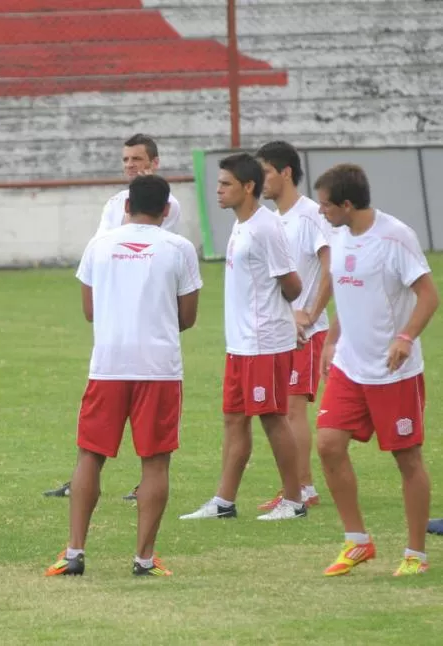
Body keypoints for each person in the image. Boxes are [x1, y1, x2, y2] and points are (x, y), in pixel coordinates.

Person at [44, 175, 202, 578]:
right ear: (166, 210)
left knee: (90, 455)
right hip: (159, 368)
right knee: (155, 462)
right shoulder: (179, 248)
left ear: (126, 205)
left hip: (109, 366)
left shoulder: (100, 245)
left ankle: (74, 552)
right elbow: (188, 316)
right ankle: (144, 560)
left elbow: (90, 310)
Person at [313, 164, 437, 577]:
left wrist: (405, 337)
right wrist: (331, 340)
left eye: (327, 204)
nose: (321, 210)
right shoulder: (338, 234)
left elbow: (428, 296)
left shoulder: (395, 237)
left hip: (392, 371)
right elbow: (350, 297)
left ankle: (415, 554)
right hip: (350, 366)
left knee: (407, 459)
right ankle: (358, 542)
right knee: (329, 444)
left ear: (348, 204)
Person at [44, 133, 180, 501]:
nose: (130, 166)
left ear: (154, 162)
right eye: (125, 160)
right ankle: (83, 479)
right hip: (114, 321)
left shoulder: (168, 204)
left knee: (146, 426)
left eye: (137, 159)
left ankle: (142, 485)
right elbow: (102, 247)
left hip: (145, 319)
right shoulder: (114, 202)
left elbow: (140, 246)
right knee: (96, 423)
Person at [180, 153, 307, 521]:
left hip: (263, 342)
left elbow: (293, 284)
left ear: (247, 187)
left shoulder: (266, 228)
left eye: (225, 184)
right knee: (234, 419)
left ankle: (295, 501)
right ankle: (224, 501)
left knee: (272, 417)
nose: (217, 191)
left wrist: (283, 320)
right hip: (240, 343)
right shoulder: (241, 224)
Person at [255, 141, 332, 511]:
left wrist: (312, 314)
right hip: (279, 331)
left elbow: (332, 265)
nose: (259, 181)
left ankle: (303, 489)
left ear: (286, 172)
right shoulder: (270, 220)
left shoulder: (311, 215)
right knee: (281, 409)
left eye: (265, 172)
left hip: (307, 331)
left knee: (291, 410)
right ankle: (296, 486)